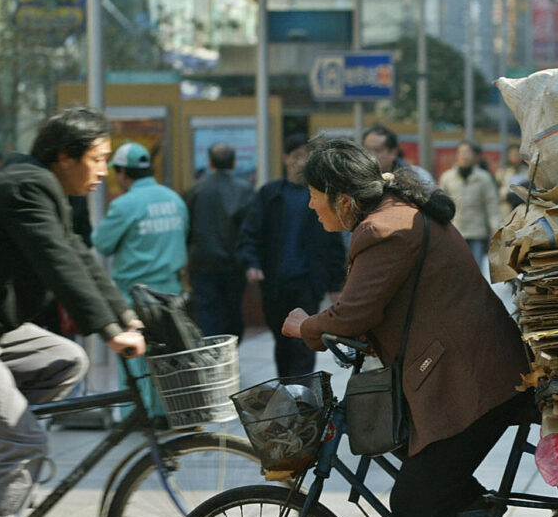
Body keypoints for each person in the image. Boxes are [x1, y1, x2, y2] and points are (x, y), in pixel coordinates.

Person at [281, 136, 531, 517]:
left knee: (414, 501)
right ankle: (466, 507)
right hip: (473, 370)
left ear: (344, 199)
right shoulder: (398, 213)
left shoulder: (383, 230)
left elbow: (353, 313)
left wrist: (306, 326)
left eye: (316, 195)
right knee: (425, 477)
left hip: (472, 381)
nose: (310, 205)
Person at [0, 107, 146, 517]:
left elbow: (78, 254)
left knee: (65, 359)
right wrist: (107, 331)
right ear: (65, 156)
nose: (104, 171)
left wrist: (123, 316)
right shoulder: (23, 189)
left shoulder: (44, 189)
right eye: (97, 160)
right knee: (24, 438)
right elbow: (55, 262)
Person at [92, 141, 189, 419]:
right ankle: (161, 415)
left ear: (123, 172)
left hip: (133, 296)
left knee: (133, 360)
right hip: (170, 294)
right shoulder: (174, 200)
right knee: (163, 358)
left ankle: (135, 416)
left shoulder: (124, 205)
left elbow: (102, 243)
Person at [236, 133, 345, 377]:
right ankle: (289, 393)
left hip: (308, 282)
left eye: (307, 157)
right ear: (286, 158)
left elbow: (333, 242)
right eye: (297, 156)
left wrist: (334, 282)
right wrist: (251, 263)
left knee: (304, 343)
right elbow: (251, 233)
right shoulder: (270, 194)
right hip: (275, 283)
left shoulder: (321, 196)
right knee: (282, 341)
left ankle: (301, 398)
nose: (302, 162)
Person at [186, 143, 254, 339]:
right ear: (234, 163)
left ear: (210, 163)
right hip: (234, 264)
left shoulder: (196, 190)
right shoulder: (245, 190)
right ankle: (229, 349)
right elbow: (249, 229)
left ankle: (211, 353)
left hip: (202, 263)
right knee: (232, 311)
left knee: (207, 313)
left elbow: (188, 228)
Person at [437, 139, 499, 276]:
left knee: (475, 270)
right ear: (457, 155)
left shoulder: (484, 178)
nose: (464, 156)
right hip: (455, 231)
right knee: (455, 269)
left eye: (468, 153)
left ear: (475, 157)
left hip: (477, 232)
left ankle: (475, 296)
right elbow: (441, 204)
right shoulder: (447, 178)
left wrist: (495, 229)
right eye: (461, 152)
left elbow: (491, 205)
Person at [362, 125, 436, 190]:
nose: (371, 155)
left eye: (378, 150)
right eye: (367, 150)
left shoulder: (418, 177)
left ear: (393, 152)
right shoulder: (356, 178)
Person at [496, 143, 530, 217]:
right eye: (512, 155)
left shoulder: (527, 172)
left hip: (522, 206)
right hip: (506, 206)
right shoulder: (503, 172)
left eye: (517, 155)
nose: (515, 157)